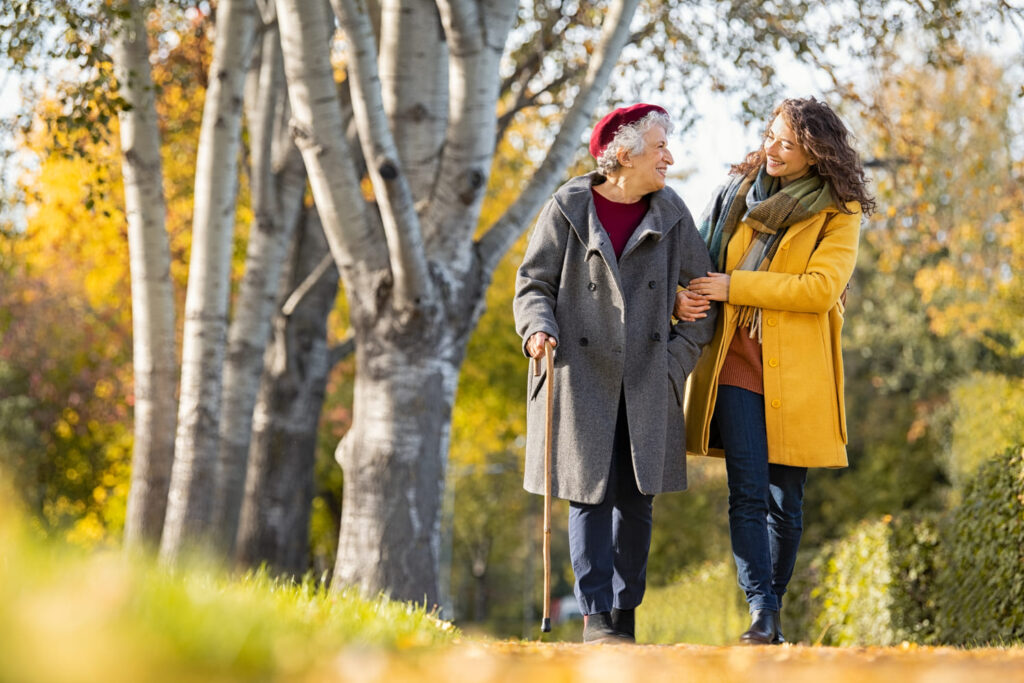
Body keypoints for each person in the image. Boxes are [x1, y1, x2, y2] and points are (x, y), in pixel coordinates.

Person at [513, 104, 717, 644]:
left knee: (636, 499)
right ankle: (597, 618)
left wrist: (674, 364)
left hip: (649, 378)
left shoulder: (672, 212)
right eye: (659, 149)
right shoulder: (568, 207)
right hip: (581, 375)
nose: (670, 158)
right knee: (589, 495)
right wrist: (536, 329)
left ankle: (626, 616)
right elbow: (533, 284)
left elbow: (703, 299)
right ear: (622, 156)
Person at [675, 97, 876, 644]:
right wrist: (682, 293)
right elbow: (696, 258)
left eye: (786, 144)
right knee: (747, 491)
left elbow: (819, 289)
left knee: (786, 502)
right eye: (770, 136)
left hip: (799, 374)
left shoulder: (839, 212)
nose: (772, 149)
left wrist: (735, 286)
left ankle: (773, 610)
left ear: (815, 154)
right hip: (735, 362)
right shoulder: (737, 194)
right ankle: (761, 613)